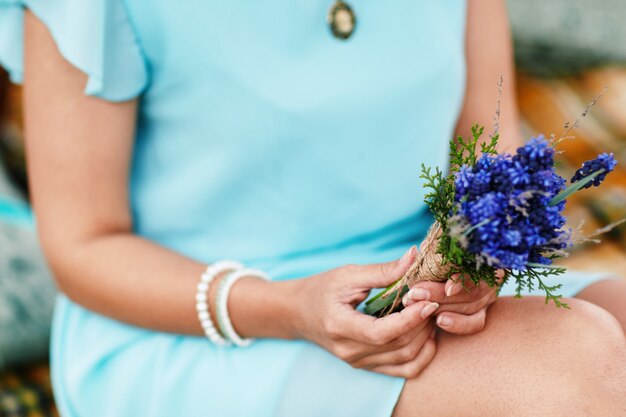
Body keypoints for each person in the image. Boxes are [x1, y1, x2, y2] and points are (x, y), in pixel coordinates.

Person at [1, 0, 625, 416]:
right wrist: (290, 309)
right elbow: (84, 245)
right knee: (571, 367)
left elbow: (488, 148)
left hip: (414, 282)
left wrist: (472, 268)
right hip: (203, 321)